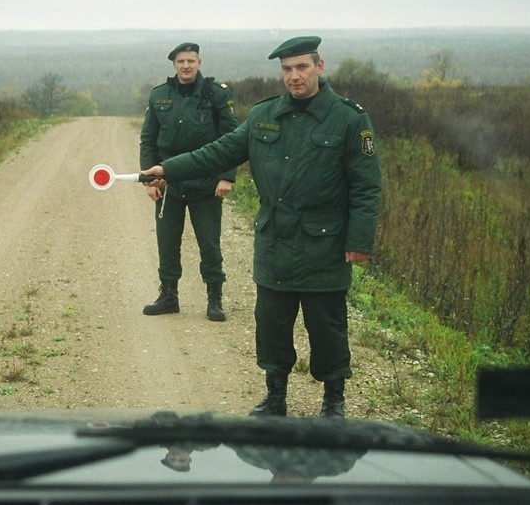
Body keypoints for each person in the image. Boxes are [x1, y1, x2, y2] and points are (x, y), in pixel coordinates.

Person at [142, 36, 382, 418]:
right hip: (274, 241)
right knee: (271, 323)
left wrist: (359, 241)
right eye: (287, 69)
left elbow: (367, 188)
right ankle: (275, 398)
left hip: (324, 243)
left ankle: (333, 402)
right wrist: (167, 169)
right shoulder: (264, 116)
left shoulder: (350, 119)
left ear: (319, 67)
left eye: (302, 67)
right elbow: (218, 152)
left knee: (327, 326)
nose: (294, 76)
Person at [139, 42, 239, 321]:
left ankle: (215, 299)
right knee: (167, 242)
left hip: (205, 182)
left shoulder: (216, 95)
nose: (186, 66)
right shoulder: (159, 95)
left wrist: (226, 176)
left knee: (209, 243)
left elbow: (233, 139)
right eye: (181, 61)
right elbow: (148, 139)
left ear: (199, 62)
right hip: (168, 184)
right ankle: (168, 296)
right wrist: (149, 179)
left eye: (191, 61)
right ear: (174, 65)